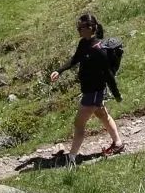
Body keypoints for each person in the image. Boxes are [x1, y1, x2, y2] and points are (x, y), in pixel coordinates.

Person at [48, 12, 122, 162]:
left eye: (81, 27)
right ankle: (118, 144)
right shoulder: (84, 43)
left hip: (93, 92)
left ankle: (71, 157)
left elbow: (108, 75)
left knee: (79, 123)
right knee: (103, 116)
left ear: (90, 28)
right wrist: (59, 71)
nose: (78, 30)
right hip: (90, 91)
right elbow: (75, 59)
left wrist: (117, 95)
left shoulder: (99, 50)